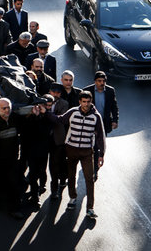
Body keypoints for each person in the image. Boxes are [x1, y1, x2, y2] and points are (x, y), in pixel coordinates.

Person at [47, 91, 106, 219]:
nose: (86, 104)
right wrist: (46, 112)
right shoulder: (73, 112)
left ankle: (90, 208)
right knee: (71, 175)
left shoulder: (96, 116)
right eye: (83, 102)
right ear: (80, 102)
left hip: (86, 151)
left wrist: (101, 154)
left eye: (88, 102)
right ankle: (72, 198)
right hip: (71, 149)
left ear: (91, 102)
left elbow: (101, 136)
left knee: (89, 178)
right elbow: (60, 119)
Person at [0, 98, 34, 219]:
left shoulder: (15, 118)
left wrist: (31, 114)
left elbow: (25, 126)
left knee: (14, 184)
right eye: (4, 108)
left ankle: (14, 209)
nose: (7, 110)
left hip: (12, 159)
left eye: (8, 107)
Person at [83, 71, 118, 180]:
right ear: (95, 81)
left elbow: (114, 107)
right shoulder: (87, 91)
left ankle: (95, 171)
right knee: (91, 147)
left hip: (103, 124)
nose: (101, 83)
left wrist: (115, 120)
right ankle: (90, 165)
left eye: (103, 81)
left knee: (99, 147)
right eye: (99, 81)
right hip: (90, 123)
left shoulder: (110, 91)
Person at [47, 82, 70, 199]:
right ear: (49, 91)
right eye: (53, 92)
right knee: (44, 165)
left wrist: (46, 112)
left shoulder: (64, 104)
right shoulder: (43, 100)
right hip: (45, 139)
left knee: (55, 164)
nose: (55, 94)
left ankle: (55, 189)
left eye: (58, 92)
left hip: (57, 139)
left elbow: (59, 120)